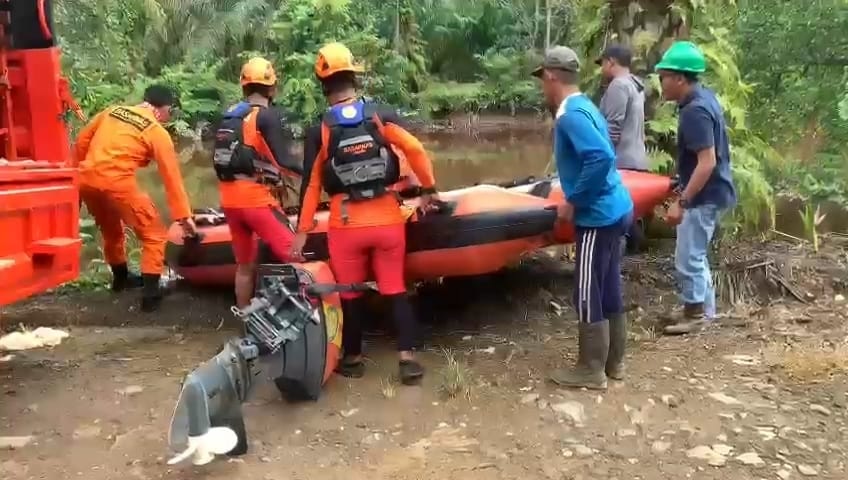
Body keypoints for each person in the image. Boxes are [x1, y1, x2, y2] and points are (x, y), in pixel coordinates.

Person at [291, 42, 439, 385]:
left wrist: (302, 229)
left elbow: (312, 184)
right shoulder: (379, 114)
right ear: (354, 78)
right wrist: (429, 189)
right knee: (394, 287)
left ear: (323, 83)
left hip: (346, 224)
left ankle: (354, 358)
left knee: (351, 292)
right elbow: (414, 149)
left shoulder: (320, 130)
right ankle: (407, 359)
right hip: (387, 219)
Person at [532, 46, 634, 390]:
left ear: (550, 76)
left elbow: (601, 157)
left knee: (587, 290)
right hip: (617, 208)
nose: (542, 87)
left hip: (598, 215)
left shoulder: (570, 115)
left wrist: (574, 200)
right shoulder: (586, 105)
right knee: (607, 286)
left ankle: (591, 370)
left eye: (542, 80)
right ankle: (613, 363)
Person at [73, 84, 196, 312]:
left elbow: (81, 143)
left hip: (86, 179)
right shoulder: (156, 132)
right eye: (171, 112)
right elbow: (172, 178)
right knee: (154, 235)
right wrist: (184, 216)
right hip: (117, 181)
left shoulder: (112, 111)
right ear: (165, 109)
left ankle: (120, 279)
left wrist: (73, 179)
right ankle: (150, 296)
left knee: (111, 229)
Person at [654, 41, 736, 335]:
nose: (660, 83)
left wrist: (683, 201)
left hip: (704, 195)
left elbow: (707, 162)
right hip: (711, 192)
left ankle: (695, 315)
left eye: (663, 77)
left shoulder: (695, 111)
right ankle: (703, 312)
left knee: (688, 256)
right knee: (695, 255)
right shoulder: (702, 100)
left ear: (679, 78)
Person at [213, 57, 304, 308]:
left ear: (243, 87)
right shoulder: (266, 117)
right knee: (296, 257)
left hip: (229, 199)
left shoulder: (229, 116)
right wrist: (314, 175)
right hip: (255, 200)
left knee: (244, 266)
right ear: (272, 88)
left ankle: (245, 317)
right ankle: (310, 320)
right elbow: (285, 161)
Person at [597, 44, 648, 253]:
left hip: (622, 161)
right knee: (630, 211)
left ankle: (618, 254)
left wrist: (601, 160)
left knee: (616, 213)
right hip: (637, 158)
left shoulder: (618, 86)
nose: (601, 69)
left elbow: (613, 127)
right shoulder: (637, 86)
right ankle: (635, 248)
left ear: (611, 62)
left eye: (602, 64)